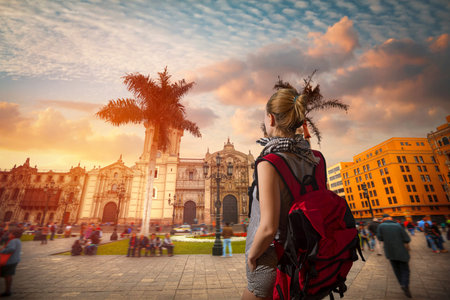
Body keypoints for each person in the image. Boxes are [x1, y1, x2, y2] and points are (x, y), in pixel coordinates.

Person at [242, 88, 319, 300]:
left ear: (271, 119)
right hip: (307, 261)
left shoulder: (269, 162)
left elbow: (268, 228)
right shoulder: (316, 160)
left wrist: (252, 257)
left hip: (271, 261)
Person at [377, 214, 412, 298]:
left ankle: (402, 283)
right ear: (391, 218)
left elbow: (380, 238)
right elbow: (407, 239)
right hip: (401, 251)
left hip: (390, 251)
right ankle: (405, 284)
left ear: (383, 219)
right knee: (405, 269)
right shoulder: (398, 225)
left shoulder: (381, 226)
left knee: (396, 270)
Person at [0, 228, 22, 297]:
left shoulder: (13, 241)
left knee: (7, 275)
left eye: (10, 233)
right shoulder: (18, 240)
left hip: (9, 260)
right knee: (9, 275)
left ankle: (7, 291)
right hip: (15, 260)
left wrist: (2, 250)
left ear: (13, 235)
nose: (9, 234)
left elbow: (11, 249)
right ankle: (8, 290)